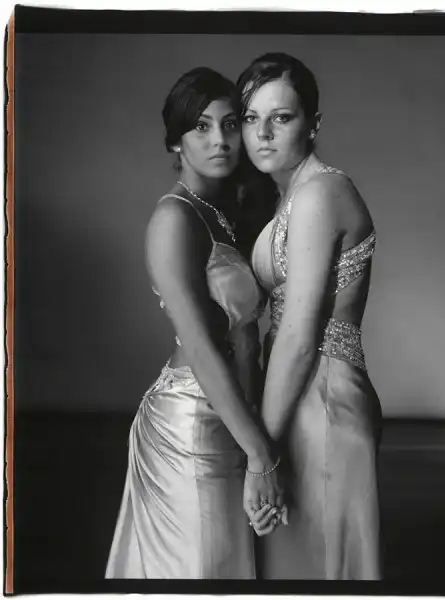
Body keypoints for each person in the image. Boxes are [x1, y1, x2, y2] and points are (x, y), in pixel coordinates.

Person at [105, 67, 287, 580]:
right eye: (201, 127)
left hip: (233, 415)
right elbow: (203, 349)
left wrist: (257, 438)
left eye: (230, 125)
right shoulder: (174, 219)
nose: (220, 140)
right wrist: (262, 456)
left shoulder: (219, 212)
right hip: (190, 424)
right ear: (175, 142)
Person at [237, 53, 383, 580]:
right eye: (251, 118)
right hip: (299, 397)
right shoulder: (290, 196)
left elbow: (300, 336)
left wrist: (260, 457)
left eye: (281, 117)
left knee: (320, 575)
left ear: (313, 124)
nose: (262, 134)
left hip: (321, 399)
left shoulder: (321, 193)